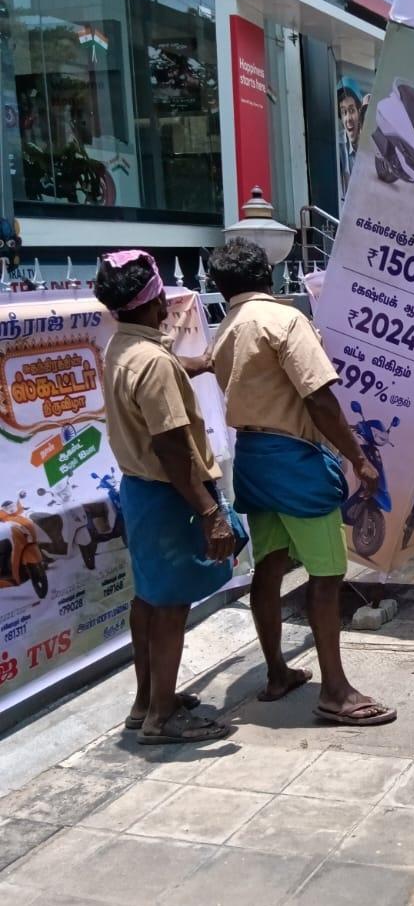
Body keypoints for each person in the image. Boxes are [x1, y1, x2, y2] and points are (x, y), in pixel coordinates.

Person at [209, 238, 396, 727]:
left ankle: (276, 672)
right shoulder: (284, 321)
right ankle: (335, 690)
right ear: (267, 275)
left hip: (250, 454)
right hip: (293, 457)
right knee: (327, 573)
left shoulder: (227, 327)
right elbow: (319, 398)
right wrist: (359, 458)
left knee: (268, 567)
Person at [95, 250, 238, 745]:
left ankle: (146, 701)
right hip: (168, 493)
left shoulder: (122, 347)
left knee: (149, 598)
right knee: (172, 604)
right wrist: (209, 510)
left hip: (140, 492)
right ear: (156, 298)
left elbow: (157, 372)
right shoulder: (153, 363)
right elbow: (172, 447)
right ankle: (161, 717)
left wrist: (195, 365)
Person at [336, 82, 364, 197]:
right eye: (344, 112)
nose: (348, 119)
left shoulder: (371, 148)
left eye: (352, 111)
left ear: (359, 111)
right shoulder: (339, 151)